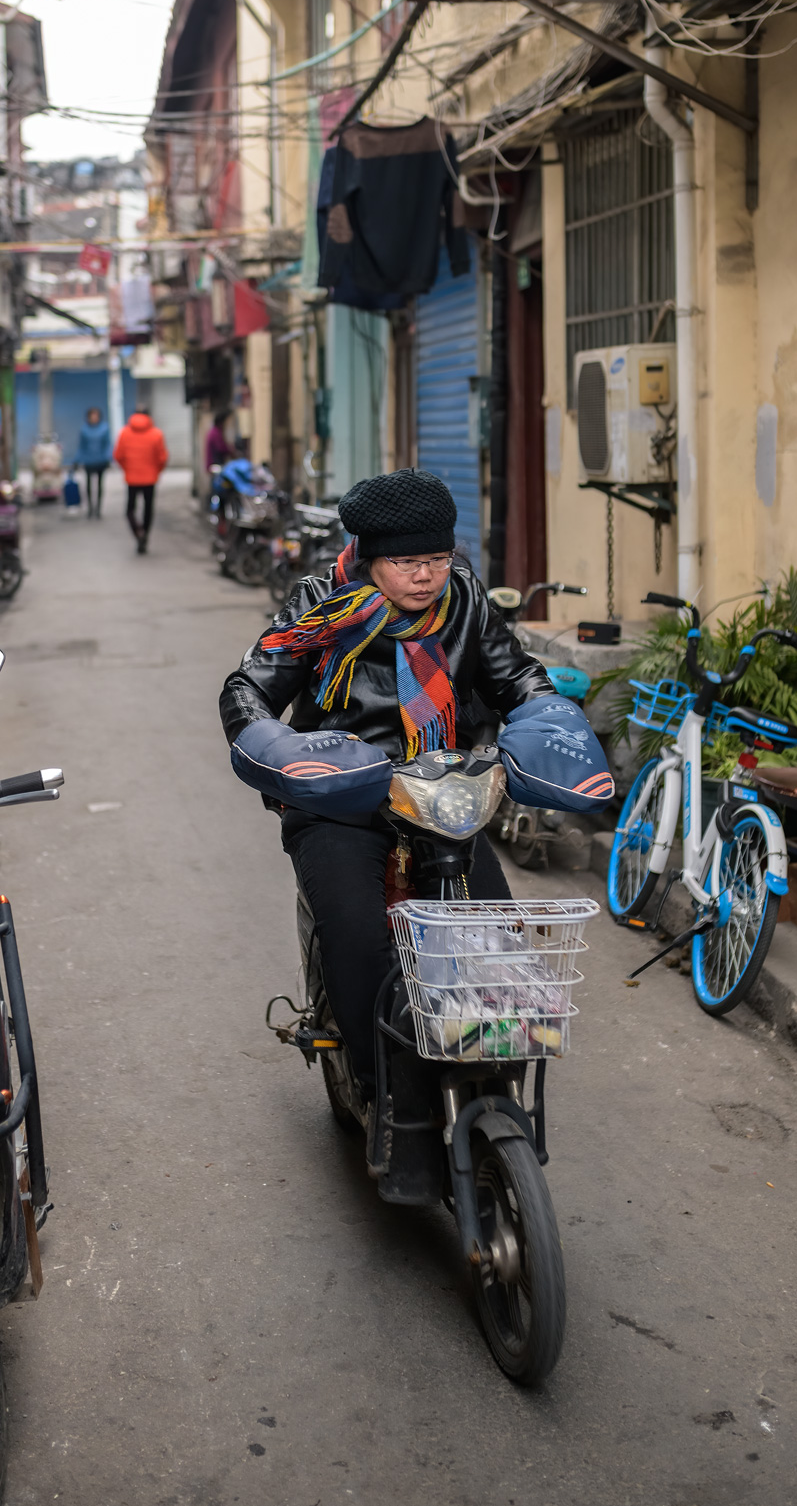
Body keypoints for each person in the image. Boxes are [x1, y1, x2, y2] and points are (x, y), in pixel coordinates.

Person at [219, 468, 556, 1095]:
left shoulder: (464, 598)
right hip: (343, 802)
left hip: (440, 798)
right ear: (371, 558)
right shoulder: (320, 603)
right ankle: (382, 1084)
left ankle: (494, 1075)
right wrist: (274, 743)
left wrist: (547, 716)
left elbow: (516, 676)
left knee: (493, 944)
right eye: (406, 562)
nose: (425, 577)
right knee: (357, 937)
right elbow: (250, 686)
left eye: (437, 560)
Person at [113, 407, 168, 552]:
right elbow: (162, 458)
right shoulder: (156, 434)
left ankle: (137, 532)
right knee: (148, 508)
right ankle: (145, 533)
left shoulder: (124, 433)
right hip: (150, 478)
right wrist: (156, 471)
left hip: (132, 478)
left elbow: (118, 456)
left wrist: (127, 469)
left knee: (130, 509)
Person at [76, 405, 112, 519]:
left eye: (96, 416)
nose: (94, 418)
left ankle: (98, 509)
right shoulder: (84, 429)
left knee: (100, 485)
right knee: (88, 486)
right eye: (92, 416)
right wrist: (77, 459)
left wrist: (108, 457)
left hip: (101, 460)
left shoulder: (104, 428)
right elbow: (81, 446)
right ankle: (90, 508)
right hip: (88, 461)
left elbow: (107, 444)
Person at [203, 408, 231, 501]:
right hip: (215, 465)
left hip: (214, 465)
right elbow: (221, 448)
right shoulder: (215, 433)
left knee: (216, 489)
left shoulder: (214, 432)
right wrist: (232, 452)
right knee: (218, 490)